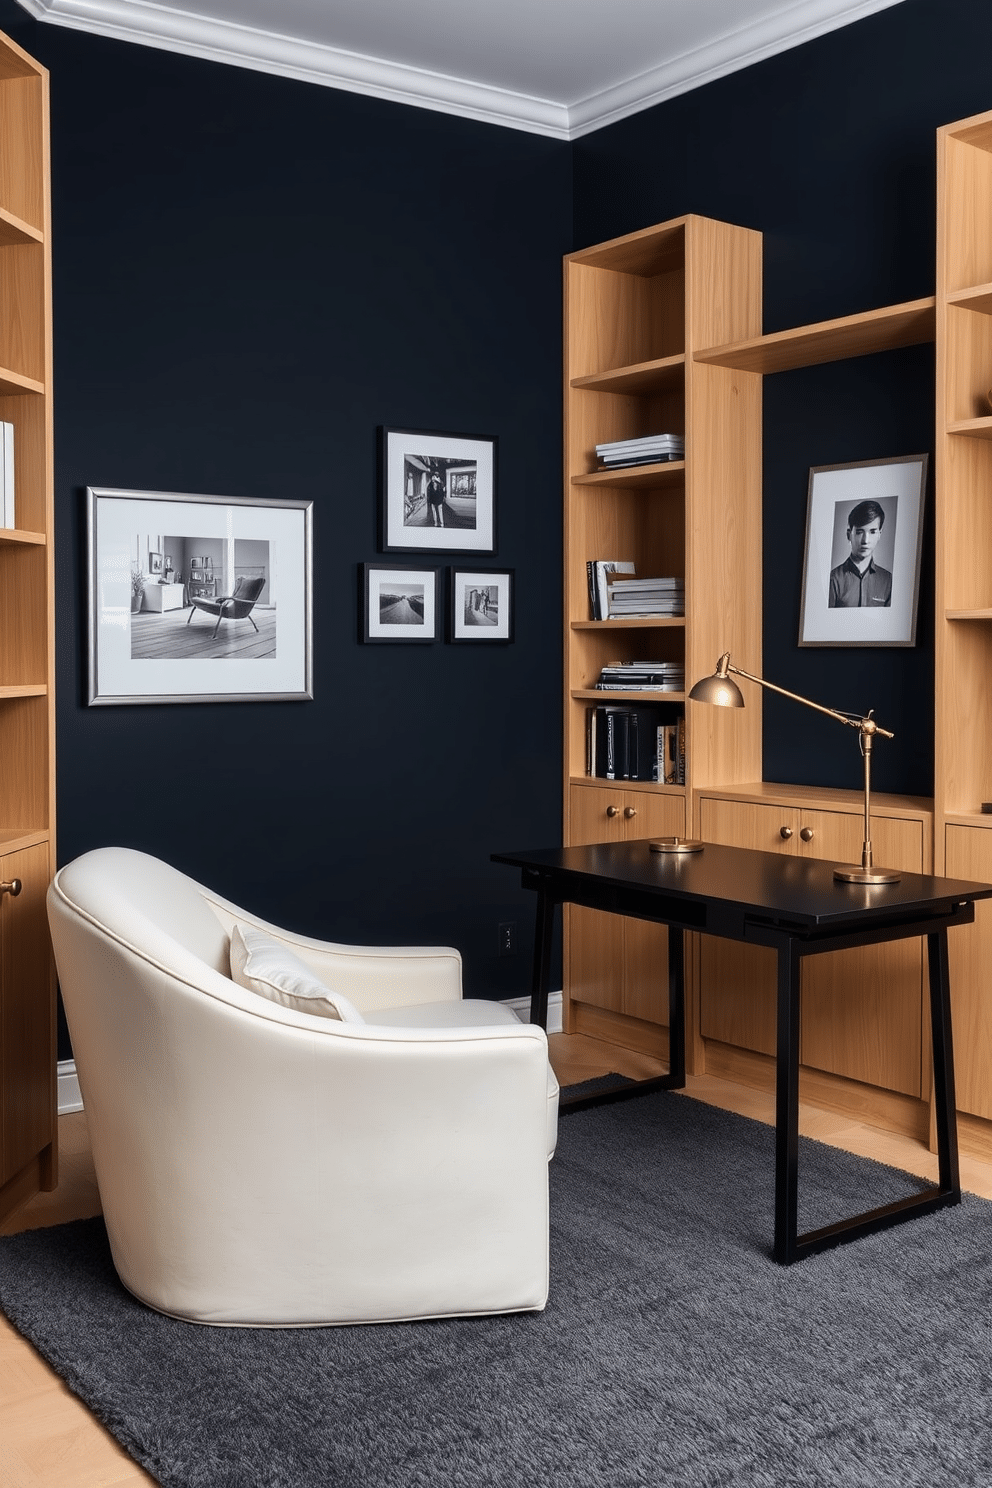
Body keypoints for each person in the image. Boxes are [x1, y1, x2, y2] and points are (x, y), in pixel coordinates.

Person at [828, 498, 892, 608]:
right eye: (859, 532)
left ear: (879, 534)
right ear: (849, 534)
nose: (865, 540)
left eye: (872, 532)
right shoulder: (833, 579)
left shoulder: (888, 580)